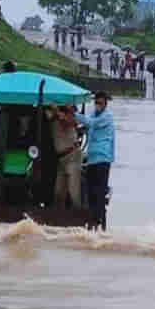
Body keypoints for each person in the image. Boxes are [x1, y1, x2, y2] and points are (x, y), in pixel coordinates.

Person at [75, 91, 115, 230]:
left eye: (100, 103)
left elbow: (90, 123)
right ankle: (92, 222)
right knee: (90, 192)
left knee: (99, 193)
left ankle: (100, 224)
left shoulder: (107, 117)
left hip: (103, 159)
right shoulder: (93, 115)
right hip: (91, 159)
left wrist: (72, 113)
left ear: (105, 104)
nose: (98, 105)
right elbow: (86, 124)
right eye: (96, 102)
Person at [46, 104, 82, 208]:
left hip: (72, 156)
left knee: (73, 192)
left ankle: (79, 217)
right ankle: (58, 218)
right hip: (61, 159)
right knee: (58, 192)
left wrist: (57, 111)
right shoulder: (52, 121)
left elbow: (71, 123)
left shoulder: (67, 118)